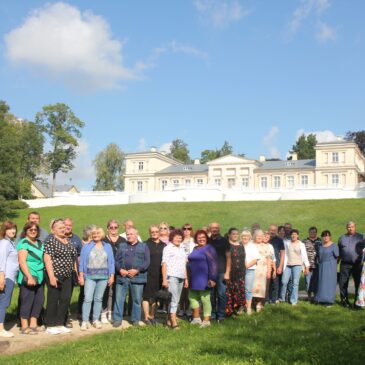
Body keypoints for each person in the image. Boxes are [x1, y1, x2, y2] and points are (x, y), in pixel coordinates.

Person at [44, 219, 78, 335]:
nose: (63, 229)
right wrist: (52, 276)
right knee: (53, 299)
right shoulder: (51, 241)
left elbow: (73, 258)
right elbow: (47, 259)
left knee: (65, 299)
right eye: (59, 228)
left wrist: (76, 273)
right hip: (55, 274)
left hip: (67, 275)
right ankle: (50, 325)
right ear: (53, 230)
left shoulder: (67, 241)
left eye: (63, 227)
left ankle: (59, 323)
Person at [79, 227, 115, 330]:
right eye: (94, 234)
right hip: (89, 277)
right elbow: (81, 262)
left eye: (97, 233)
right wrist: (81, 276)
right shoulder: (86, 246)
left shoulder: (107, 246)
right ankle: (85, 321)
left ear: (102, 234)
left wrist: (111, 275)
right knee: (88, 298)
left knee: (98, 299)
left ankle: (96, 320)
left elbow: (111, 262)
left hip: (103, 277)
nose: (95, 235)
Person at [113, 228, 150, 327]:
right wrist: (120, 270)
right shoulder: (122, 246)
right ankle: (117, 319)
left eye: (131, 234)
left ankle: (135, 320)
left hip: (138, 277)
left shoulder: (144, 246)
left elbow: (147, 262)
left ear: (136, 235)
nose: (129, 236)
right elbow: (115, 261)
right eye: (127, 234)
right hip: (122, 276)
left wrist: (137, 270)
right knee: (119, 298)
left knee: (136, 300)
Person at [17, 222, 45, 335]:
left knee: (39, 300)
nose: (33, 231)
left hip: (40, 276)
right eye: (30, 229)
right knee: (27, 300)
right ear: (26, 231)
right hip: (29, 275)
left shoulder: (39, 243)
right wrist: (29, 277)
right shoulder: (23, 243)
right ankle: (24, 326)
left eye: (35, 229)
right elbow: (22, 261)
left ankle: (33, 325)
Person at [188, 230, 218, 328]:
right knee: (192, 297)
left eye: (203, 237)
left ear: (206, 238)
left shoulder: (209, 248)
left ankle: (206, 321)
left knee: (205, 299)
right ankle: (196, 318)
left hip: (204, 277)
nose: (201, 239)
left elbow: (213, 263)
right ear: (196, 239)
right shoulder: (195, 248)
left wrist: (212, 278)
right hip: (193, 277)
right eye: (199, 237)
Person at [162, 229, 188, 330]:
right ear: (172, 237)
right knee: (174, 299)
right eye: (176, 237)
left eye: (180, 237)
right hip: (172, 276)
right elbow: (164, 264)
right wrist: (164, 279)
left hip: (181, 276)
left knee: (176, 299)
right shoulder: (168, 248)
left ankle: (169, 320)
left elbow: (184, 264)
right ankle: (173, 322)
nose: (178, 239)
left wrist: (186, 278)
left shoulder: (182, 248)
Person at [101, 219, 126, 324]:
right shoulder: (103, 240)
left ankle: (111, 312)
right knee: (105, 291)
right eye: (111, 227)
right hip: (105, 269)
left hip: (119, 270)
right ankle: (103, 313)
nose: (113, 229)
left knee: (115, 292)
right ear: (108, 228)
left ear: (118, 228)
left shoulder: (123, 240)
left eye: (115, 227)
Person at [208, 222, 231, 322]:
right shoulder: (207, 241)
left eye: (216, 228)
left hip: (222, 271)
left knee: (221, 294)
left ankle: (221, 315)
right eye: (212, 228)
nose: (214, 229)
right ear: (210, 229)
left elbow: (229, 257)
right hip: (210, 272)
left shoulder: (224, 241)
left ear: (219, 229)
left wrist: (227, 272)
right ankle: (212, 314)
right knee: (211, 295)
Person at [338, 221, 364, 308]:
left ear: (355, 227)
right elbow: (339, 252)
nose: (350, 228)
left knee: (358, 283)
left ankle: (357, 302)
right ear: (347, 228)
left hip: (358, 264)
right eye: (349, 227)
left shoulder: (361, 237)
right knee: (343, 283)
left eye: (352, 227)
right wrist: (336, 263)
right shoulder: (342, 238)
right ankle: (344, 301)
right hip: (345, 264)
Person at [280, 229, 310, 305]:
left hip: (297, 265)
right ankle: (282, 299)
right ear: (290, 236)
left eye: (295, 234)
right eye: (292, 234)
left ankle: (293, 301)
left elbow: (304, 256)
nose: (293, 236)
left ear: (297, 235)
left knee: (295, 283)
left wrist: (307, 267)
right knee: (284, 282)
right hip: (287, 265)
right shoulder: (287, 243)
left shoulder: (301, 244)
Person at [142, 225, 164, 325]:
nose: (154, 233)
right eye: (152, 231)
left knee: (156, 296)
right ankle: (146, 317)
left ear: (159, 232)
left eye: (156, 231)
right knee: (146, 296)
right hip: (148, 274)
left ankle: (152, 316)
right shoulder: (145, 244)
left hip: (159, 274)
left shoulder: (164, 245)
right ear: (149, 233)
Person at [0, 221, 19, 338]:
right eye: (9, 229)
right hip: (6, 277)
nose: (13, 231)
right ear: (4, 230)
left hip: (10, 276)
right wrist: (1, 277)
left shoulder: (10, 242)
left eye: (14, 228)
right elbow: (1, 260)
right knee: (3, 303)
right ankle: (1, 329)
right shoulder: (5, 243)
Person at [225, 228, 246, 317]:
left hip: (240, 272)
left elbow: (243, 258)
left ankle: (238, 309)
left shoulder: (241, 245)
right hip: (230, 272)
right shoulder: (227, 245)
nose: (235, 235)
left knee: (239, 291)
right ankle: (230, 311)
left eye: (236, 234)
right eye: (233, 234)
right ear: (229, 235)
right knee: (230, 291)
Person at [77, 224, 95, 320]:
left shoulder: (97, 243)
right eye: (92, 234)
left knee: (92, 294)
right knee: (84, 293)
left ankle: (91, 312)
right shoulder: (83, 244)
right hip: (85, 272)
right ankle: (81, 312)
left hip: (94, 272)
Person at [315, 230, 339, 306]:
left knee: (329, 283)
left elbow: (337, 257)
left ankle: (329, 301)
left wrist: (333, 264)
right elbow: (319, 257)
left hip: (330, 266)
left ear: (330, 237)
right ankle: (321, 299)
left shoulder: (334, 245)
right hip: (322, 266)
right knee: (322, 282)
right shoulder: (320, 246)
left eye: (327, 235)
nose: (326, 237)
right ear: (322, 237)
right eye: (324, 236)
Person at [252, 230, 273, 312]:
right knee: (252, 287)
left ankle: (259, 304)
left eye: (261, 236)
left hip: (263, 271)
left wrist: (269, 271)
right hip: (253, 269)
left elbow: (269, 260)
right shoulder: (251, 245)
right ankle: (252, 304)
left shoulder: (266, 246)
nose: (259, 237)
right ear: (254, 237)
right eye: (258, 236)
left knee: (261, 288)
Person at [178, 223, 196, 317]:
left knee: (189, 288)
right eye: (184, 228)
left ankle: (188, 308)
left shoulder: (194, 241)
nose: (186, 230)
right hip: (181, 265)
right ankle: (181, 308)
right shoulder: (179, 241)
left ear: (191, 230)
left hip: (191, 266)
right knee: (181, 288)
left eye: (188, 229)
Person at [242, 230, 259, 315]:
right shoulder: (238, 245)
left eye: (247, 236)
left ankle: (248, 307)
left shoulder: (252, 246)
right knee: (240, 289)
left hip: (249, 270)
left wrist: (246, 267)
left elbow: (255, 259)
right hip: (238, 271)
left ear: (249, 237)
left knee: (248, 289)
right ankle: (241, 307)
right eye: (243, 236)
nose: (245, 237)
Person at [302, 227, 322, 302]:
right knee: (308, 281)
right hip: (308, 265)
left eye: (314, 232)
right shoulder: (304, 241)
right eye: (311, 232)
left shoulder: (320, 241)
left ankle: (316, 296)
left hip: (317, 264)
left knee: (316, 281)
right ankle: (309, 297)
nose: (312, 233)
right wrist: (303, 265)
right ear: (309, 232)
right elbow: (302, 254)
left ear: (316, 233)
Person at [268, 224, 285, 304]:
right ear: (268, 230)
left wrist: (281, 266)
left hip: (276, 264)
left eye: (274, 230)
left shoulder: (279, 240)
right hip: (266, 265)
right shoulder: (265, 239)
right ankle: (267, 299)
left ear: (277, 231)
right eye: (271, 230)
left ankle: (274, 300)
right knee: (267, 283)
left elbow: (282, 253)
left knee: (275, 283)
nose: (272, 232)